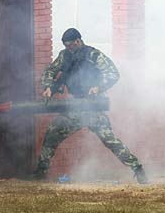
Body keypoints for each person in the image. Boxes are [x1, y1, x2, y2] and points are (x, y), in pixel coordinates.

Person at [31, 28, 148, 184]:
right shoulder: (64, 55)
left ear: (78, 41)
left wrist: (98, 87)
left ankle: (137, 168)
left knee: (110, 141)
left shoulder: (94, 55)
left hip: (94, 107)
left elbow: (113, 73)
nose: (69, 49)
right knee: (52, 135)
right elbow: (50, 71)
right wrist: (47, 87)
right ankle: (40, 173)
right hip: (74, 108)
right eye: (66, 46)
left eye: (71, 45)